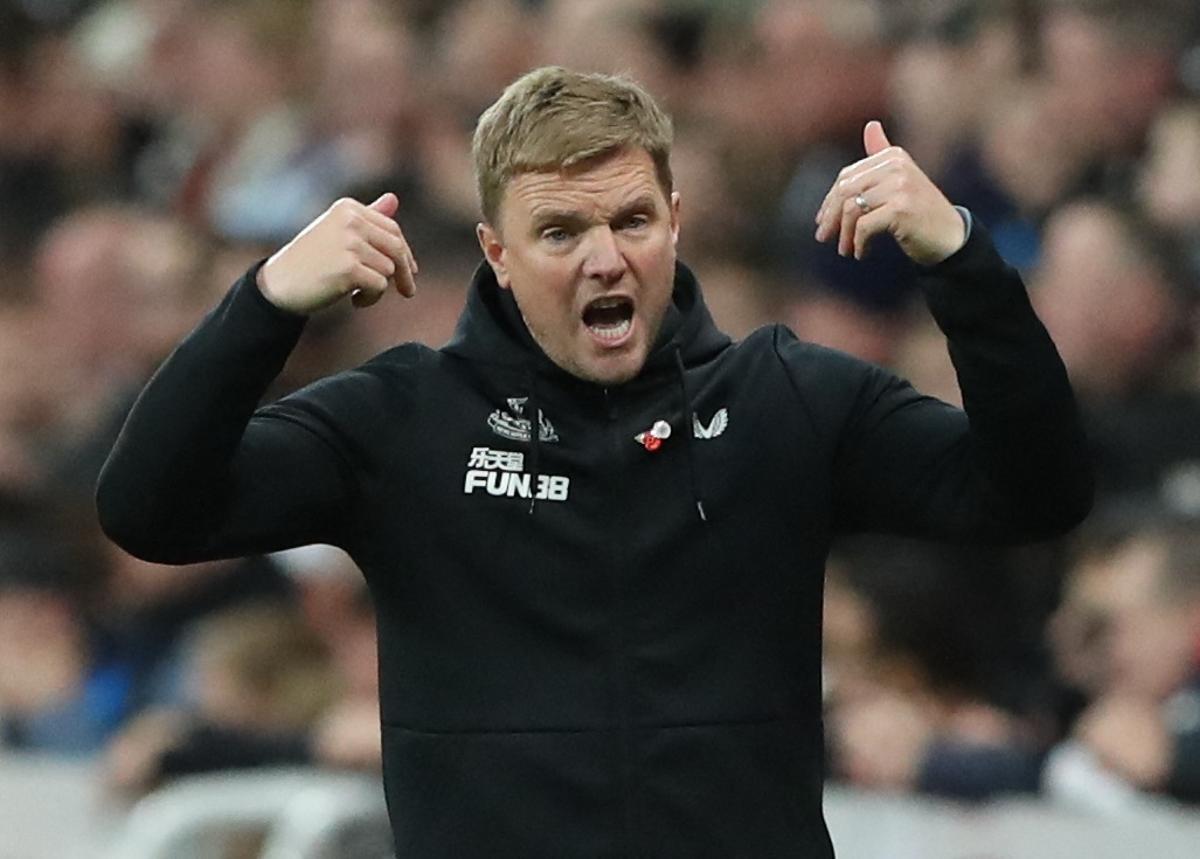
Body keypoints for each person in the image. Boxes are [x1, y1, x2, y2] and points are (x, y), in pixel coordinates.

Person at [97, 66, 1092, 858]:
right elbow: (149, 510)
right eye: (560, 231)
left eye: (630, 220)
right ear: (497, 250)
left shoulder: (788, 398)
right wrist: (264, 305)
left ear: (675, 220)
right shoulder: (402, 419)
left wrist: (961, 260)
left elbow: (1038, 491)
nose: (604, 258)